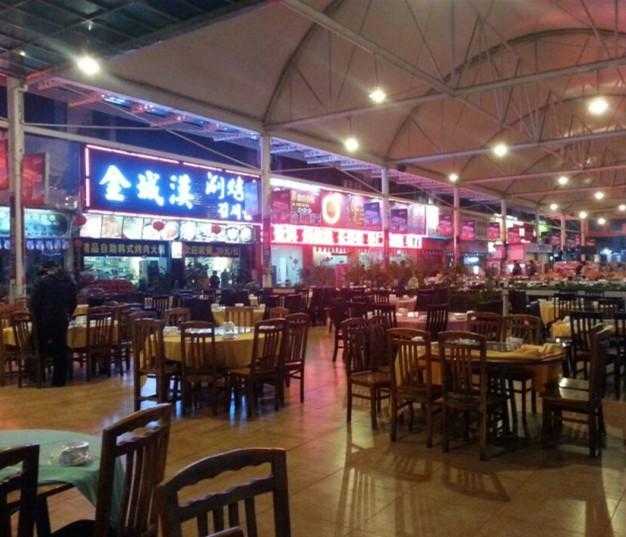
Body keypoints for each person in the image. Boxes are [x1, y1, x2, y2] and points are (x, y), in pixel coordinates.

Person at [29, 262, 77, 387]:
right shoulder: (69, 281)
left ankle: (36, 376)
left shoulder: (41, 281)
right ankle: (59, 380)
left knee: (35, 346)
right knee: (61, 348)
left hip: (44, 320)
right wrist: (68, 315)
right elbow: (73, 302)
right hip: (61, 319)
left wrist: (35, 318)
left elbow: (33, 304)